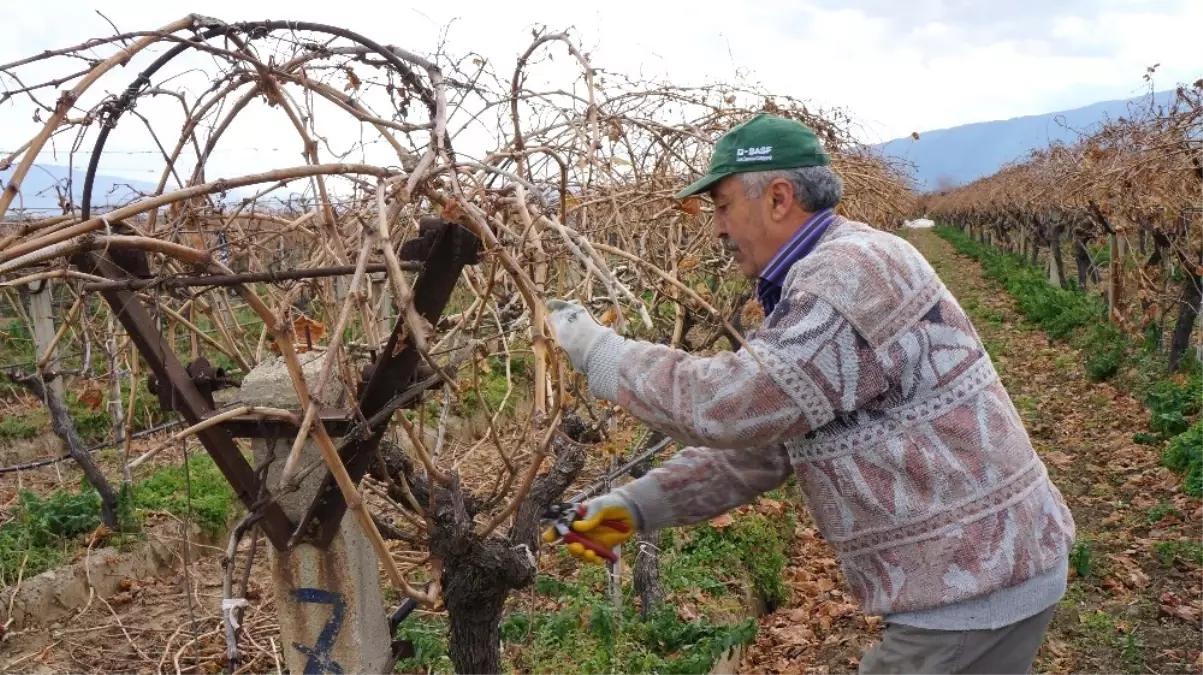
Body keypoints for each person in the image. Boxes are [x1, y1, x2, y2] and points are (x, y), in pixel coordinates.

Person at [543, 112, 1075, 675]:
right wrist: (632, 508)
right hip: (981, 574)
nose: (716, 229)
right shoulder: (826, 273)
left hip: (970, 586)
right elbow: (766, 445)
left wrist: (599, 351)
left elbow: (731, 406)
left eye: (722, 207)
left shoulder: (848, 274)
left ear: (778, 198)